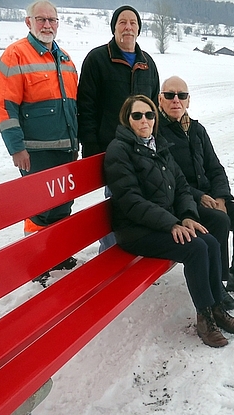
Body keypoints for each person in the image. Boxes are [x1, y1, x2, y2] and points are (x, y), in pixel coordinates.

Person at [104, 95, 234, 348]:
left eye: (149, 115)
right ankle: (204, 318)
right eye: (137, 115)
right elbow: (131, 201)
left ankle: (216, 309)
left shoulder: (158, 144)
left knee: (211, 243)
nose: (144, 120)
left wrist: (188, 216)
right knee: (196, 248)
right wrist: (172, 223)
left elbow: (181, 186)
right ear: (127, 119)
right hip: (136, 230)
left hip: (164, 222)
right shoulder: (119, 150)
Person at [157, 76, 234, 307]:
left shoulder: (197, 130)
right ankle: (218, 283)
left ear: (188, 100)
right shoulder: (158, 133)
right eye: (170, 95)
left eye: (182, 95)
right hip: (181, 203)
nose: (176, 100)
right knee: (218, 220)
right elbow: (170, 179)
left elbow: (216, 168)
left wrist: (221, 197)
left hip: (210, 198)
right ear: (160, 99)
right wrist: (199, 197)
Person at [0, 0, 78, 284]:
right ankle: (37, 261)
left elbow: (75, 106)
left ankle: (59, 253)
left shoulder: (65, 59)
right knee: (39, 208)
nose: (47, 25)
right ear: (28, 22)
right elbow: (4, 106)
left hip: (66, 148)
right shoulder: (15, 55)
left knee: (63, 204)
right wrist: (17, 148)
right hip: (35, 152)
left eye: (52, 20)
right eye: (41, 20)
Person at [78, 5, 160, 252]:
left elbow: (155, 106)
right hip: (111, 148)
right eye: (122, 22)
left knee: (144, 199)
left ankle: (140, 249)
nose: (128, 27)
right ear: (114, 27)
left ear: (139, 29)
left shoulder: (148, 63)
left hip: (144, 148)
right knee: (118, 201)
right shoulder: (97, 59)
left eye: (133, 23)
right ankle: (111, 253)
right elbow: (86, 106)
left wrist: (158, 141)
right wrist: (91, 147)